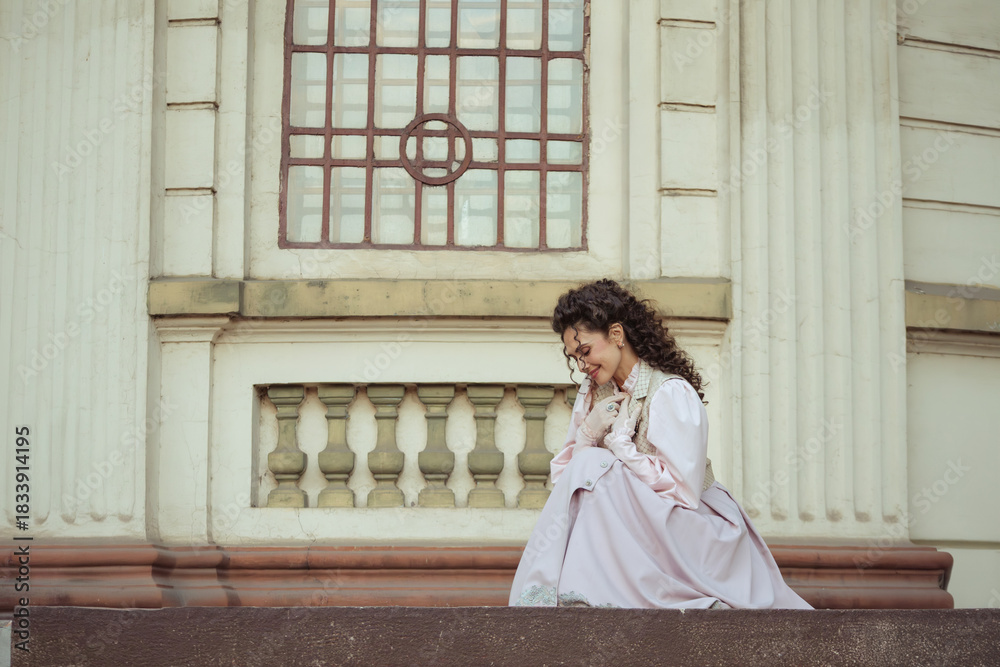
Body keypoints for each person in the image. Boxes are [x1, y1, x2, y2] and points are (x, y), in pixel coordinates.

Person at [509, 279, 811, 609]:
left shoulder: (670, 392)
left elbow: (683, 492)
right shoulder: (593, 392)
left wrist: (622, 448)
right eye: (574, 357)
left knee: (594, 465)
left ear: (616, 335)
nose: (582, 365)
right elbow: (570, 487)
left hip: (693, 527)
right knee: (588, 466)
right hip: (635, 527)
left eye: (585, 351)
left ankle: (591, 594)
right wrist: (587, 435)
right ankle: (577, 594)